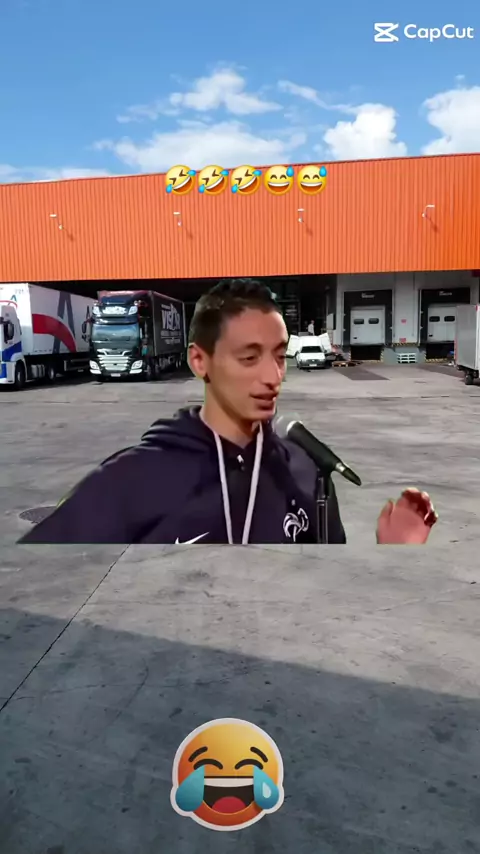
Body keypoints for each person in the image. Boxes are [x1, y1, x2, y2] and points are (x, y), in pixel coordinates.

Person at [19, 278, 437, 546]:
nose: (273, 377)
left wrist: (391, 555)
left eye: (279, 356)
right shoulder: (133, 478)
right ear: (199, 361)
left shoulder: (304, 470)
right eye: (249, 358)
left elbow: (331, 595)